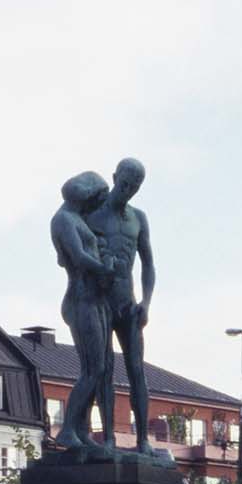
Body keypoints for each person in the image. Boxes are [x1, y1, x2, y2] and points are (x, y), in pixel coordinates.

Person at [86, 158, 158, 455]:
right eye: (125, 183)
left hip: (128, 303)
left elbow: (149, 264)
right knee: (104, 370)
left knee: (136, 370)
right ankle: (109, 439)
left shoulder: (138, 218)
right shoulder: (91, 216)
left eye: (134, 187)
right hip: (102, 301)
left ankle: (142, 440)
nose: (128, 190)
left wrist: (147, 303)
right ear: (115, 177)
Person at [48, 171, 117, 458]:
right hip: (81, 300)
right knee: (91, 369)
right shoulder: (63, 219)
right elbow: (77, 256)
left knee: (99, 369)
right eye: (98, 197)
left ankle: (81, 430)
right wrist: (104, 269)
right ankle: (68, 429)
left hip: (94, 299)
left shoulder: (77, 220)